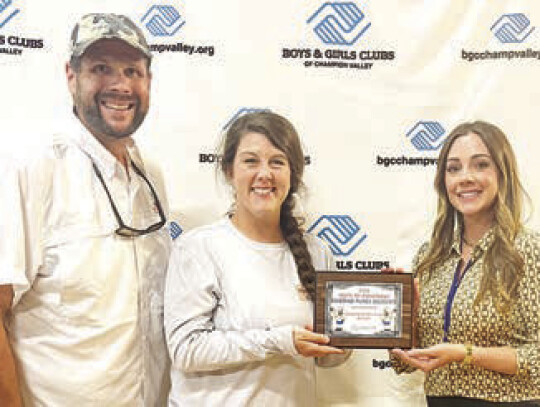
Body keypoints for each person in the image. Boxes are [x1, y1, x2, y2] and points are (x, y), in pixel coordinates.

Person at [0, 14, 171, 406]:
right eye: (101, 68)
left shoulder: (151, 177)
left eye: (133, 70)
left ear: (148, 82)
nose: (121, 85)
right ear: (71, 75)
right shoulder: (32, 166)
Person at [164, 111, 348, 406]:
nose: (265, 174)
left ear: (293, 173)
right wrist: (279, 340)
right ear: (229, 171)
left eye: (277, 162)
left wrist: (373, 312)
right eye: (251, 161)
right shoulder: (198, 248)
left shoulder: (317, 252)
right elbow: (186, 350)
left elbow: (328, 360)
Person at [390, 121, 540, 406]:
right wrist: (400, 320)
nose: (465, 177)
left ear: (502, 173)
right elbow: (405, 365)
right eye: (453, 168)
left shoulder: (529, 250)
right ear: (443, 181)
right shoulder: (430, 255)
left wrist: (465, 353)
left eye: (481, 165)